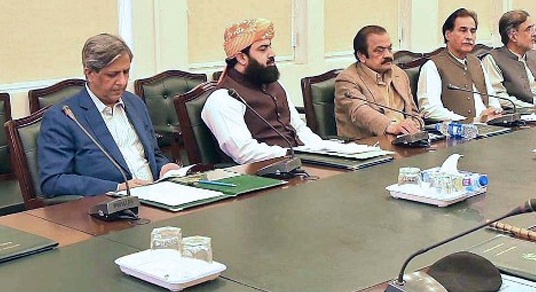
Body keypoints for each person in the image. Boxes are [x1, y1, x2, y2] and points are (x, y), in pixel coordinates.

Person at [39, 34, 179, 197]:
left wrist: (165, 168)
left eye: (126, 72)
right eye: (112, 75)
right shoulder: (64, 117)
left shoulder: (134, 103)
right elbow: (53, 181)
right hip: (110, 208)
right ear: (89, 73)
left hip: (158, 195)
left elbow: (153, 154)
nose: (122, 81)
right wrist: (118, 187)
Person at [202, 18, 328, 164]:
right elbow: (244, 153)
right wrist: (295, 155)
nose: (272, 53)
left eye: (270, 47)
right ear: (242, 57)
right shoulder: (223, 98)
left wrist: (323, 152)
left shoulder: (275, 86)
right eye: (263, 49)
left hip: (298, 164)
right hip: (262, 176)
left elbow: (298, 127)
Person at [334, 25, 424, 140]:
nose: (388, 55)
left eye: (389, 49)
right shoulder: (347, 79)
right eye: (379, 51)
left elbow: (414, 113)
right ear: (361, 56)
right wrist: (392, 127)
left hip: (406, 142)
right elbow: (359, 112)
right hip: (368, 147)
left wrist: (414, 126)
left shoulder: (399, 74)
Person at [417, 8, 502, 121]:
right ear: (448, 35)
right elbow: (430, 109)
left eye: (472, 31)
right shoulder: (432, 66)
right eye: (463, 30)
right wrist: (466, 120)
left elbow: (492, 96)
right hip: (457, 132)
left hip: (488, 127)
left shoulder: (476, 62)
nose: (469, 36)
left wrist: (494, 110)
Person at [482, 9, 536, 109]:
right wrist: (534, 108)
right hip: (521, 118)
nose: (534, 34)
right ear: (513, 36)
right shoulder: (492, 59)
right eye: (528, 29)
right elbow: (499, 98)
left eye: (533, 29)